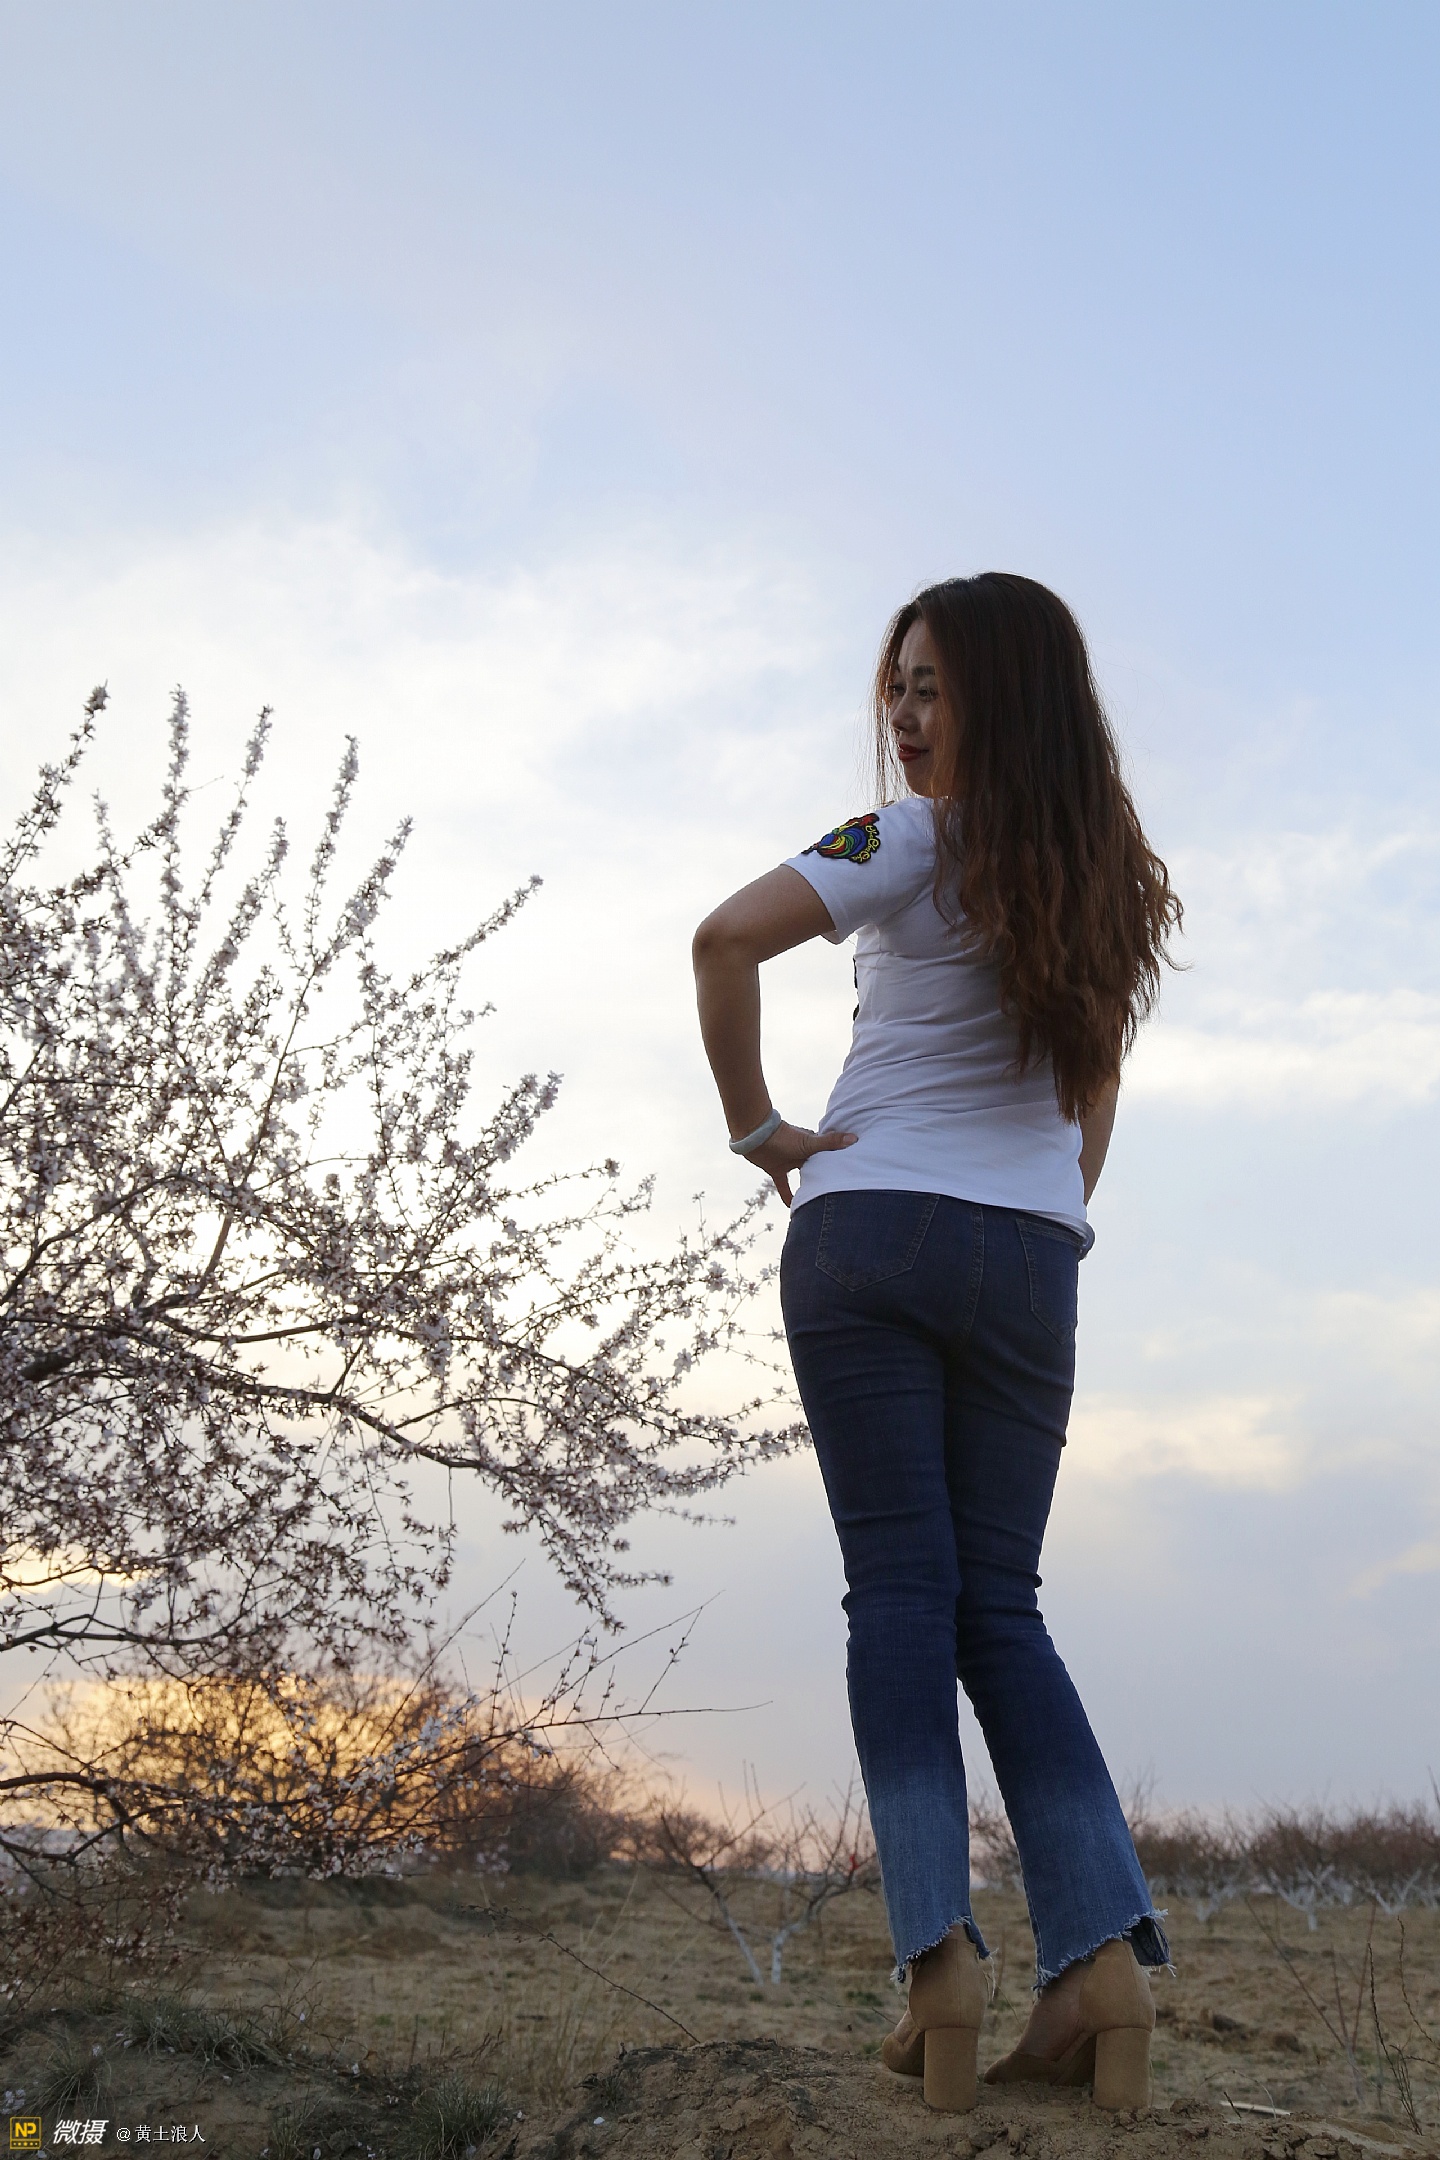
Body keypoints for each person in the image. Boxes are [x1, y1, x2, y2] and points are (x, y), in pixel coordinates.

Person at [692, 573, 1181, 2114]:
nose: (905, 718)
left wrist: (758, 1128)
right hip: (1033, 1260)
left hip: (870, 1235)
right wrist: (1030, 1217)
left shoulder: (898, 841)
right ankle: (1100, 1968)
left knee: (903, 1595)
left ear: (1002, 701)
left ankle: (939, 1971)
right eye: (895, 687)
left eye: (934, 688)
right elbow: (1092, 1111)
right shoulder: (1111, 884)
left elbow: (721, 941)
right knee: (1004, 1610)